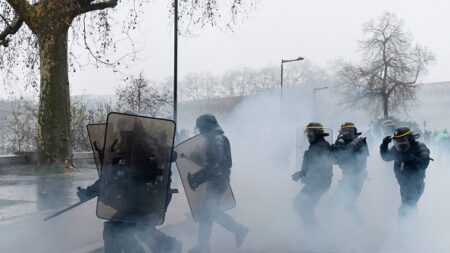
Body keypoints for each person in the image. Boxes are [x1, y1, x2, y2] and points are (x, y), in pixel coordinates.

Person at [77, 113, 181, 253]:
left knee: (116, 229)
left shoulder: (140, 147)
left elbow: (143, 173)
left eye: (121, 127)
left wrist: (93, 190)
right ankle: (168, 246)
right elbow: (111, 172)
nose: (119, 131)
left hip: (145, 200)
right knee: (135, 230)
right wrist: (90, 191)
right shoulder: (134, 145)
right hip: (145, 199)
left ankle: (168, 246)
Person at [188, 114, 249, 253]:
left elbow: (215, 166)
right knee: (207, 213)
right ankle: (204, 246)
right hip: (216, 180)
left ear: (207, 126)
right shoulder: (213, 139)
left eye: (201, 128)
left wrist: (197, 178)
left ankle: (238, 230)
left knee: (209, 212)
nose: (200, 131)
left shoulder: (216, 139)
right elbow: (211, 163)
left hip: (218, 181)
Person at [380, 127, 431, 218]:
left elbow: (424, 164)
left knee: (406, 208)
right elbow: (386, 158)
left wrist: (411, 157)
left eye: (402, 140)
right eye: (397, 141)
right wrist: (384, 145)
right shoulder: (397, 149)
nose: (400, 143)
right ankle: (413, 227)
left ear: (410, 139)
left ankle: (405, 230)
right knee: (409, 208)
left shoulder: (420, 147)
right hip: (404, 185)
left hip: (416, 184)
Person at [292, 123, 333, 233]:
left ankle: (315, 235)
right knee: (300, 206)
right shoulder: (316, 146)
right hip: (314, 182)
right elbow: (311, 165)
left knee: (301, 206)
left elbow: (321, 167)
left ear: (318, 133)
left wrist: (305, 175)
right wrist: (300, 174)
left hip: (318, 183)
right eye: (308, 133)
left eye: (311, 133)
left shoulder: (321, 147)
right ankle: (314, 235)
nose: (308, 135)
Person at [330, 122, 369, 224]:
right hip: (347, 177)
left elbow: (357, 160)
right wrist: (336, 146)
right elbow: (335, 159)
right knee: (333, 202)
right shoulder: (341, 143)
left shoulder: (360, 142)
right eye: (344, 131)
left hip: (357, 177)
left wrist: (346, 148)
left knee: (349, 205)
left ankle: (361, 227)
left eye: (349, 131)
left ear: (354, 131)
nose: (347, 133)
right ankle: (328, 227)